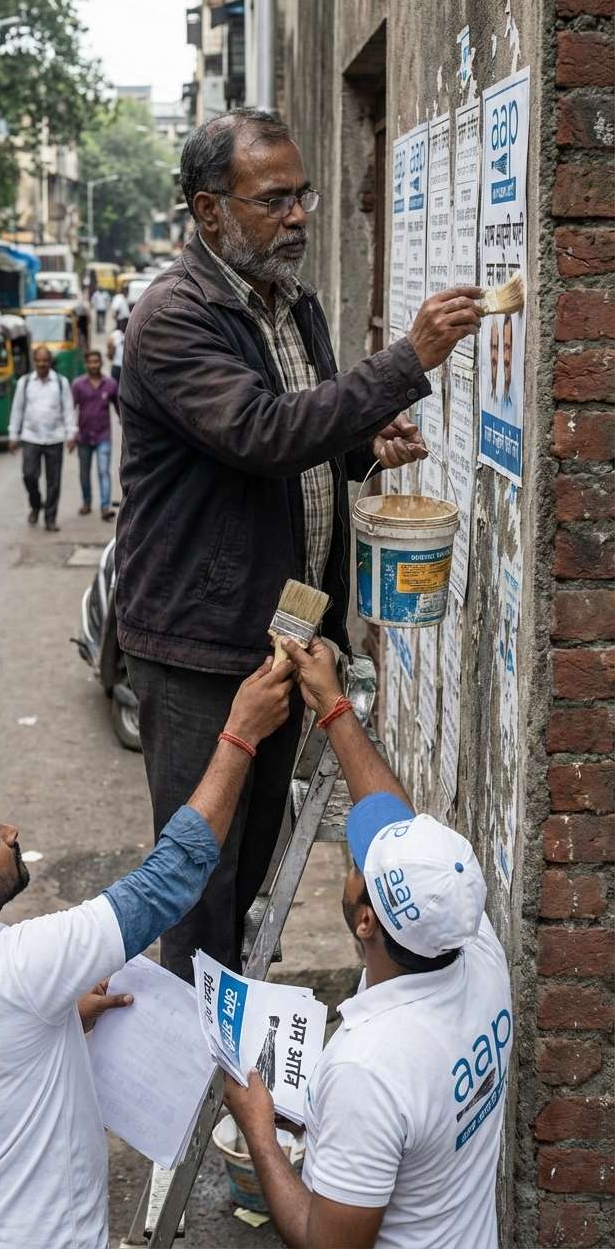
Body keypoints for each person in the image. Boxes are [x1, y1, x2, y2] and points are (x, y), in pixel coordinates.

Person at [116, 106, 482, 982]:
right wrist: (406, 361)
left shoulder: (293, 304)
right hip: (202, 646)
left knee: (251, 875)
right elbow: (260, 433)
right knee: (198, 884)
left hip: (283, 634)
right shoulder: (175, 316)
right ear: (210, 212)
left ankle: (237, 1066)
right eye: (273, 199)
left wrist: (363, 440)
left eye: (304, 195)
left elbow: (297, 441)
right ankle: (195, 1087)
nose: (298, 216)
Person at [0, 658, 293, 1249]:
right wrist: (241, 732)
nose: (12, 834)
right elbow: (171, 879)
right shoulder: (21, 967)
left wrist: (25, 1036)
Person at [225, 638, 513, 1249]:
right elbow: (397, 826)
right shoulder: (472, 941)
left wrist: (258, 1131)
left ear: (365, 922)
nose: (354, 858)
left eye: (359, 865)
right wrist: (334, 707)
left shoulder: (370, 1068)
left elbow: (329, 1243)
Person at [8, 344, 76, 532]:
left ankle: (50, 518)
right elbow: (17, 409)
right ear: (34, 362)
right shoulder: (25, 382)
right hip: (31, 437)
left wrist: (71, 433)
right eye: (38, 360)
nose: (42, 364)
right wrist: (13, 435)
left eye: (45, 360)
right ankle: (36, 504)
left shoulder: (61, 383)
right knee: (29, 476)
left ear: (50, 362)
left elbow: (68, 409)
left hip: (55, 437)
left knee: (54, 481)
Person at [71, 348, 120, 519]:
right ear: (86, 364)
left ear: (101, 363)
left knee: (103, 471)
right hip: (83, 436)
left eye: (96, 362)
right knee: (84, 473)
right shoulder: (78, 385)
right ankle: (86, 502)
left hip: (103, 435)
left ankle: (105, 507)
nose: (93, 365)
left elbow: (119, 407)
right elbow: (71, 409)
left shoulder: (111, 384)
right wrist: (72, 434)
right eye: (90, 362)